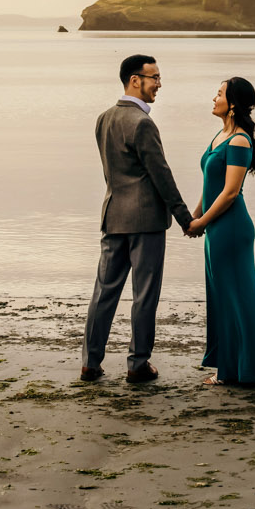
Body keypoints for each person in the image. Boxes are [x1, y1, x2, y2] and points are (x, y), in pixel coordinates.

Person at [83, 53, 193, 384]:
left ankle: (90, 363)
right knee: (144, 295)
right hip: (145, 223)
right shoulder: (142, 123)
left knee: (104, 292)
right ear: (135, 80)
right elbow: (161, 176)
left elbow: (111, 171)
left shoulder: (104, 118)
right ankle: (137, 364)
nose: (159, 84)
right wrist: (186, 219)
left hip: (113, 214)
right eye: (154, 77)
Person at [192, 76, 255, 386]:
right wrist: (196, 213)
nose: (214, 98)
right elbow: (209, 184)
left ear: (233, 103)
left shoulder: (239, 140)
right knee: (222, 298)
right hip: (217, 225)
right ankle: (230, 369)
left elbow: (229, 193)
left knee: (237, 298)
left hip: (231, 228)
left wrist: (202, 222)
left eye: (219, 94)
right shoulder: (220, 135)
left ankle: (246, 369)